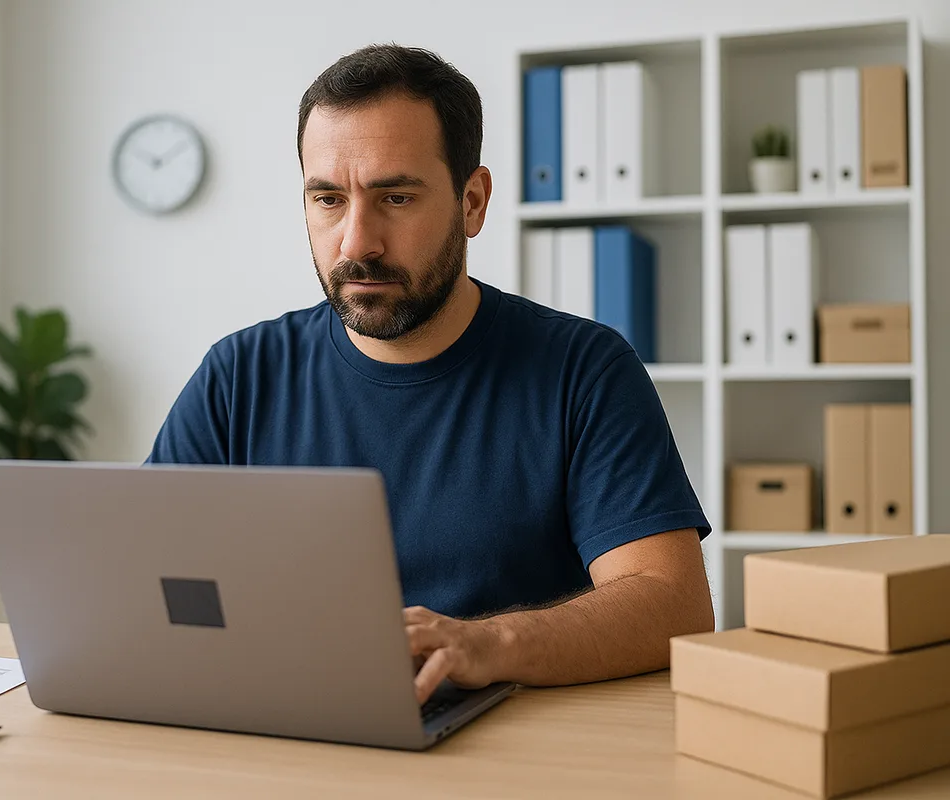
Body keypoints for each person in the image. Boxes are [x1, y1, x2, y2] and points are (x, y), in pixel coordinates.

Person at [148, 44, 714, 704]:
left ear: (471, 202)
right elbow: (145, 584)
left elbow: (672, 603)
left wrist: (486, 646)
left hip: (508, 749)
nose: (357, 242)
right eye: (328, 198)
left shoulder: (583, 370)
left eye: (395, 196)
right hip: (290, 729)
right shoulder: (238, 376)